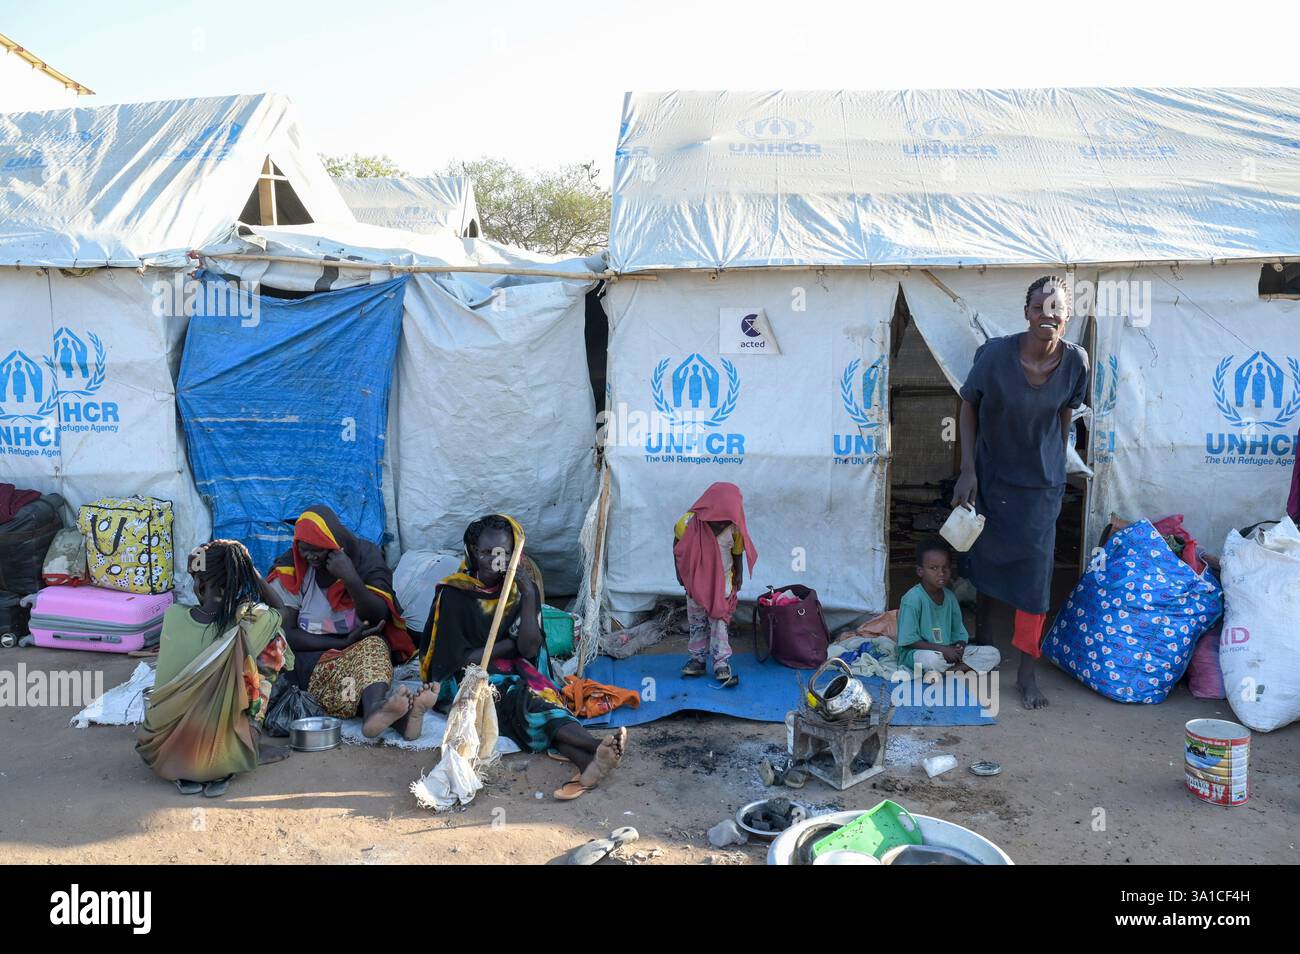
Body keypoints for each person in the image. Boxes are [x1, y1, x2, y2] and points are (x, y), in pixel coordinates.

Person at [418, 514, 627, 801]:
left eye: (503, 552)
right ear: (471, 552)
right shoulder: (455, 595)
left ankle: (588, 763)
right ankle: (593, 747)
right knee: (522, 698)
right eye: (486, 553)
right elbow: (461, 659)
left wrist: (529, 594)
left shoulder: (519, 590)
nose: (495, 560)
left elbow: (529, 650)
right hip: (465, 678)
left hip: (512, 668)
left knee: (533, 700)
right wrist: (510, 646)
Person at [953, 275, 1089, 708]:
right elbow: (968, 403)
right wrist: (967, 469)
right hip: (992, 479)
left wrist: (1057, 462)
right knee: (987, 566)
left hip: (1041, 488)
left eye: (1056, 309)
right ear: (1026, 312)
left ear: (1067, 317)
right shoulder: (994, 355)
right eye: (1038, 308)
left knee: (1035, 580)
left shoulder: (1076, 363)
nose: (1046, 316)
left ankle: (1027, 672)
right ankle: (983, 648)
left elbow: (1066, 416)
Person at [136, 540, 294, 797]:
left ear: (199, 584)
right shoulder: (248, 624)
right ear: (239, 580)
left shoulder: (173, 615)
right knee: (274, 644)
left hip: (162, 751)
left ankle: (189, 768)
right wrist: (249, 569)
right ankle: (248, 743)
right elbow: (281, 610)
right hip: (220, 755)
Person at [267, 505, 436, 740]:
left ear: (337, 545)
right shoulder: (293, 568)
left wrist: (350, 578)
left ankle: (384, 714)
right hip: (309, 661)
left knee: (375, 646)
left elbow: (378, 617)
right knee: (353, 682)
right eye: (304, 549)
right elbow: (285, 634)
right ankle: (392, 717)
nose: (310, 557)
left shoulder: (365, 557)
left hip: (357, 656)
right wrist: (343, 641)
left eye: (318, 550)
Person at [674, 482, 757, 687]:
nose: (722, 525)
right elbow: (676, 545)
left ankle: (721, 663)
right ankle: (697, 660)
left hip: (722, 584)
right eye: (718, 521)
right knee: (697, 621)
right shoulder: (688, 522)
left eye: (727, 520)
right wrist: (679, 573)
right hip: (695, 582)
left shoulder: (734, 528)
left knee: (719, 623)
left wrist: (739, 574)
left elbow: (737, 553)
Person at [896, 538, 1000, 676]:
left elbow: (959, 632)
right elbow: (909, 641)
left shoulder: (950, 597)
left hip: (948, 652)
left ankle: (946, 673)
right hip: (920, 653)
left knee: (993, 653)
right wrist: (942, 650)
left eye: (945, 567)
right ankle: (958, 669)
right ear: (920, 571)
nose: (941, 573)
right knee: (930, 660)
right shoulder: (912, 599)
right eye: (933, 568)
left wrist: (960, 646)